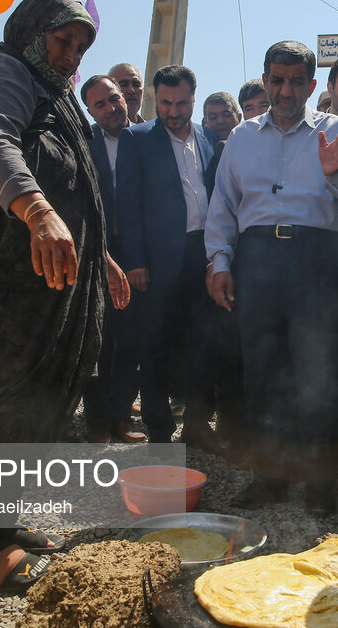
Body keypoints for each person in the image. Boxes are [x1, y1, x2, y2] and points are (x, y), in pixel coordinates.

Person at [0, 0, 128, 591]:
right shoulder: (0, 73)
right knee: (9, 410)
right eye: (63, 41)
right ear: (31, 31)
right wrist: (38, 213)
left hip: (36, 281)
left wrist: (102, 259)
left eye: (80, 47)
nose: (71, 57)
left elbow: (80, 192)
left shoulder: (54, 95)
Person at [205, 40, 338, 514]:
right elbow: (222, 208)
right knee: (264, 369)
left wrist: (334, 171)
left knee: (319, 369)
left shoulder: (335, 128)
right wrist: (219, 263)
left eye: (297, 80)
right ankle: (269, 477)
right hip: (258, 260)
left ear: (313, 84)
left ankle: (318, 480)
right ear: (266, 79)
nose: (286, 89)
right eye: (277, 79)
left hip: (318, 258)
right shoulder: (241, 137)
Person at [117, 64, 223, 449]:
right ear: (155, 99)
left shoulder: (211, 138)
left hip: (204, 256)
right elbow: (126, 205)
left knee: (203, 345)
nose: (173, 111)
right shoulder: (137, 138)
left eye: (181, 103)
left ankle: (198, 426)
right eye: (165, 103)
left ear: (194, 99)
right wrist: (135, 261)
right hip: (157, 261)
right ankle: (159, 431)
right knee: (156, 347)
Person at [79, 74, 146, 444]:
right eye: (99, 104)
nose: (109, 108)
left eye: (113, 98)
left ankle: (121, 416)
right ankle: (98, 420)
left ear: (125, 97)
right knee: (99, 338)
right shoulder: (84, 142)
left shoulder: (149, 136)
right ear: (90, 111)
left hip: (140, 253)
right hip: (98, 252)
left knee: (132, 338)